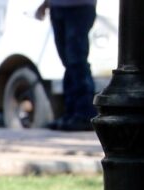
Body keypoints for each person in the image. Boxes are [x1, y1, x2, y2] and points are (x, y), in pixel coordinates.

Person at [36, 0, 98, 131]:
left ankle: (85, 113)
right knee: (68, 62)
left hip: (79, 7)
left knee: (76, 60)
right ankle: (71, 113)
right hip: (57, 7)